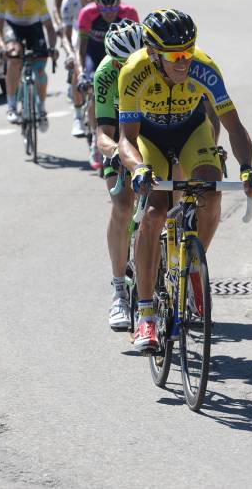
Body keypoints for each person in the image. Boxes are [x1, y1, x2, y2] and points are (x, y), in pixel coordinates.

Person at [117, 9, 252, 352]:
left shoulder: (204, 67)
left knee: (210, 194)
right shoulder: (134, 72)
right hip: (149, 137)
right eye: (176, 57)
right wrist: (138, 168)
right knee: (154, 211)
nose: (185, 62)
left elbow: (233, 126)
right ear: (154, 54)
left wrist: (246, 168)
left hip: (191, 131)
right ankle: (146, 316)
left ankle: (194, 265)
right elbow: (126, 138)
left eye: (189, 51)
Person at [92, 19, 144, 329]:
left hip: (148, 137)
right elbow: (102, 134)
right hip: (118, 143)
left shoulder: (151, 69)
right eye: (122, 64)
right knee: (123, 206)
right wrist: (117, 154)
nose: (128, 69)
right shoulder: (105, 74)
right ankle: (119, 294)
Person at [76, 0, 139, 169]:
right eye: (104, 9)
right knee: (95, 93)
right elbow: (81, 48)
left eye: (113, 9)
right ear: (96, 4)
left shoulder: (129, 13)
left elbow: (138, 44)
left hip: (125, 57)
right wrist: (81, 72)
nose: (109, 14)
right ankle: (97, 140)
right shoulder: (87, 13)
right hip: (94, 56)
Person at [0, 0, 58, 129]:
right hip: (13, 27)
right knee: (13, 57)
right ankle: (12, 106)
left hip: (34, 27)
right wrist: (2, 47)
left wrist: (51, 48)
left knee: (39, 70)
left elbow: (49, 27)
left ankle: (42, 109)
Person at [60, 0, 99, 136]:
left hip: (96, 31)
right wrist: (69, 53)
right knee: (77, 66)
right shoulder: (69, 0)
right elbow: (65, 34)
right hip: (78, 30)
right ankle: (77, 116)